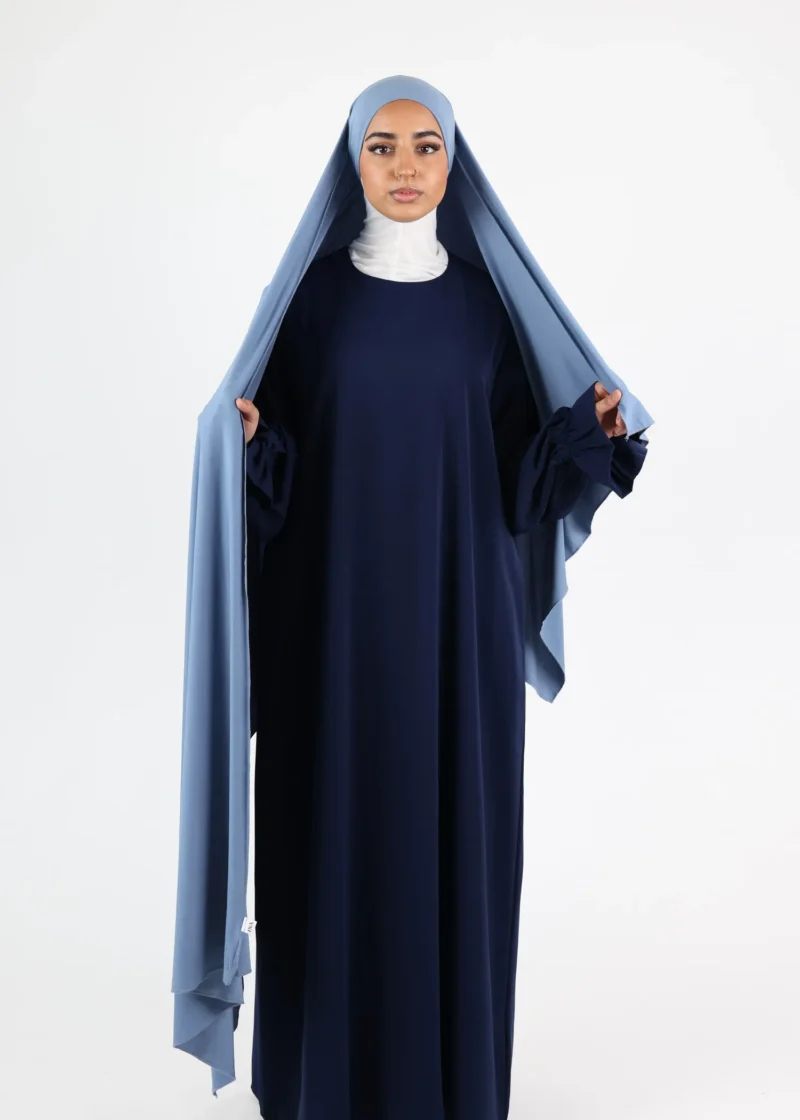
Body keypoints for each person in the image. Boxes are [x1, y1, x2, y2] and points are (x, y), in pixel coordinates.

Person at [170, 74, 653, 1118]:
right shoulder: (308, 304)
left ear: (452, 162)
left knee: (454, 844)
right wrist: (247, 445)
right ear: (353, 163)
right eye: (381, 147)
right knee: (326, 837)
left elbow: (518, 480)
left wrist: (589, 435)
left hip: (459, 633)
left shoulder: (483, 308)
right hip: (332, 635)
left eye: (425, 146)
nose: (403, 167)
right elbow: (274, 466)